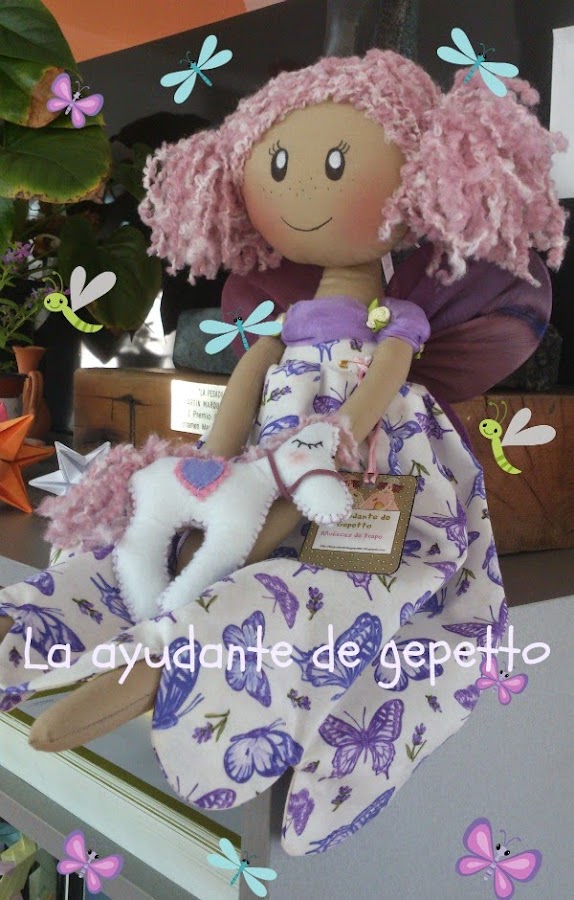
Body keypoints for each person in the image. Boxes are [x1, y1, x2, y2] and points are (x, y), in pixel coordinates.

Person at [0, 49, 566, 855]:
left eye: (334, 165)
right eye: (276, 166)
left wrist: (342, 434)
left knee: (327, 576)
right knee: (157, 542)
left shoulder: (396, 320)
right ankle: (50, 628)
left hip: (367, 464)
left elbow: (387, 378)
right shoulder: (285, 325)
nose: (299, 189)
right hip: (274, 459)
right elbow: (245, 386)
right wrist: (210, 460)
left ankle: (170, 661)